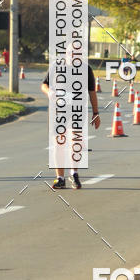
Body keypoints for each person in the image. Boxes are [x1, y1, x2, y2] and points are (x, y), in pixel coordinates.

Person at [41, 53, 101, 189]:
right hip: (59, 111)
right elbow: (44, 85)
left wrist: (96, 113)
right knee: (59, 144)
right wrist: (50, 92)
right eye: (72, 54)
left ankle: (74, 174)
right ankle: (60, 178)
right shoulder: (56, 66)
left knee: (75, 140)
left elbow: (92, 92)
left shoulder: (86, 69)